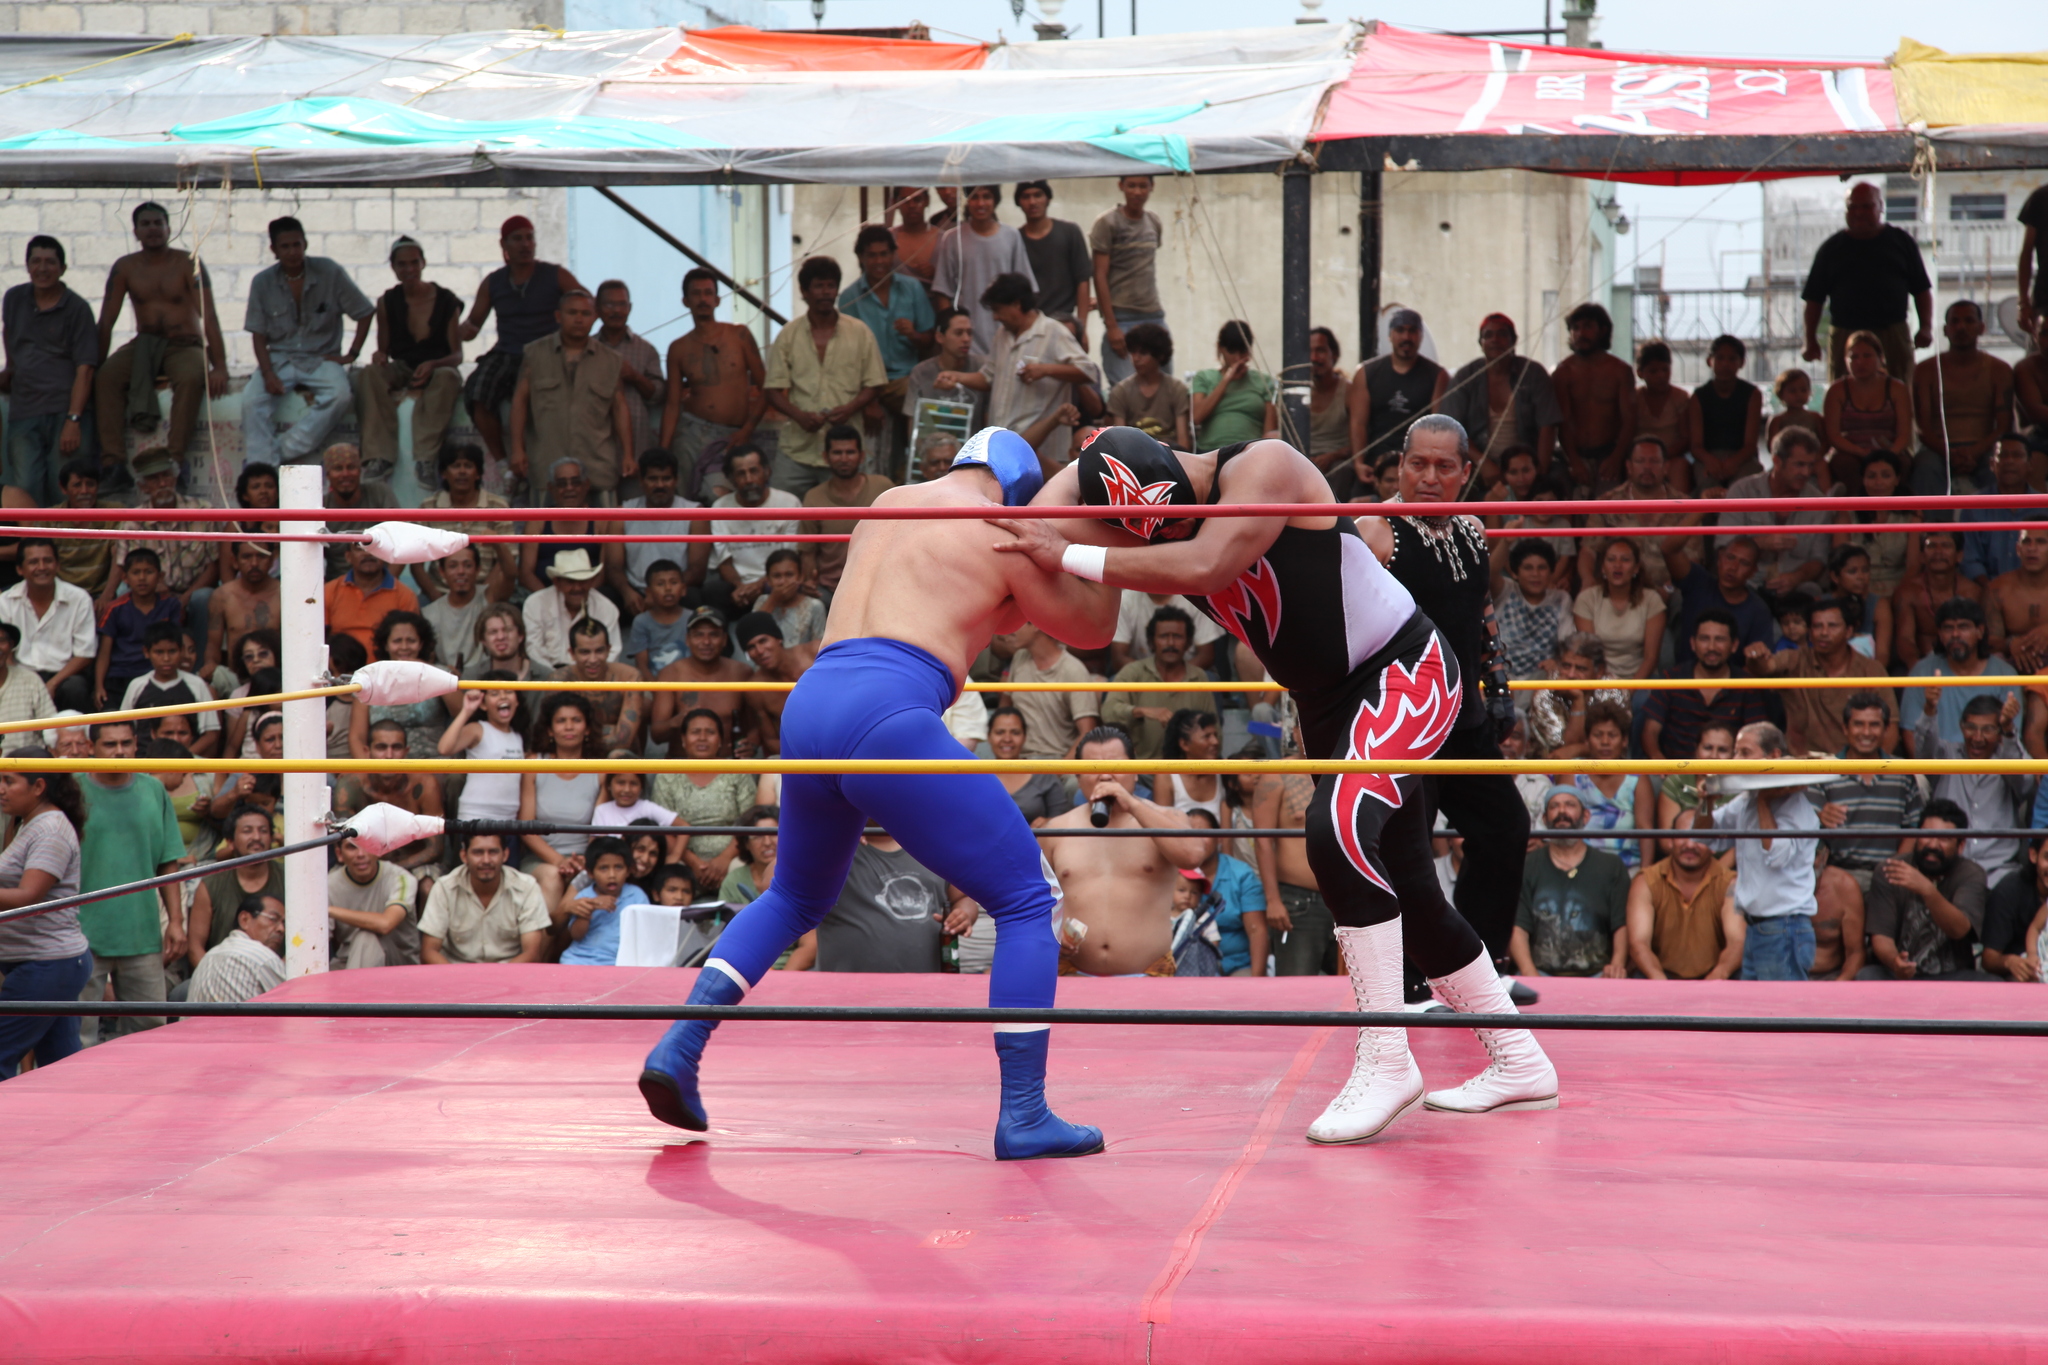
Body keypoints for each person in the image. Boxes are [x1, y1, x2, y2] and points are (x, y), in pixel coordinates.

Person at [999, 424, 1560, 1139]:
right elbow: (1050, 540)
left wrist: (1071, 550)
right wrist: (1074, 478)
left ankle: (1386, 1053)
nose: (1154, 538)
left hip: (1401, 671)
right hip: (1326, 701)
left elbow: (1204, 563)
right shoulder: (1145, 519)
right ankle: (1519, 1059)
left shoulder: (1264, 465)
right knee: (1412, 891)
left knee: (1336, 834)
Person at [639, 425, 1121, 1161]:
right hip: (888, 708)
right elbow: (1092, 627)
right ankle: (1024, 1112)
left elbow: (983, 615)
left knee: (794, 897)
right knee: (1028, 901)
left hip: (811, 705)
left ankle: (681, 1043)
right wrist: (1113, 535)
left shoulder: (890, 503)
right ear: (1021, 491)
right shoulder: (1001, 527)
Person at [1367, 414, 1534, 984]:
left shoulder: (1470, 528)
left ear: (1465, 472)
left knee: (1505, 829)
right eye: (1419, 464)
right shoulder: (1377, 532)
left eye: (1444, 466)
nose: (1430, 477)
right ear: (1400, 466)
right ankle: (1416, 978)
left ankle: (1479, 970)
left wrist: (1499, 682)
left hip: (1464, 715)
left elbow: (1480, 612)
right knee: (1410, 854)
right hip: (1403, 719)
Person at [1037, 726, 1205, 976]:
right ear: (1078, 776)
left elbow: (1192, 856)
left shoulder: (1168, 818)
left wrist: (1133, 805)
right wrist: (1052, 934)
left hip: (1149, 974)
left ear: (1136, 772)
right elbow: (1032, 899)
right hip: (1073, 973)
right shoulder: (1056, 829)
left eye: (1116, 766)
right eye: (1092, 768)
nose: (1105, 776)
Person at [92, 201, 230, 485]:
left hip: (185, 344)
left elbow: (210, 316)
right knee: (106, 377)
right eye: (146, 224)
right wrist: (94, 365)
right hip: (144, 344)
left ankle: (175, 460)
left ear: (169, 228)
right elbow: (106, 321)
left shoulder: (187, 262)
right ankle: (114, 463)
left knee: (192, 377)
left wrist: (220, 366)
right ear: (136, 231)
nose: (152, 229)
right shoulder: (125, 267)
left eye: (158, 223)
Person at [76, 721, 184, 1038]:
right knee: (78, 1032)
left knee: (150, 1030)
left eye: (125, 743)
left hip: (142, 933)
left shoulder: (153, 790)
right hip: (83, 935)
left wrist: (176, 920)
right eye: (110, 744)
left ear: (137, 744)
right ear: (91, 747)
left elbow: (169, 862)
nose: (119, 751)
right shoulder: (71, 789)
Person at [239, 216, 373, 469]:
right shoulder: (262, 282)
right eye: (285, 247)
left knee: (341, 395)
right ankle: (262, 470)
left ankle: (275, 455)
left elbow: (365, 312)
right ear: (274, 250)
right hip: (279, 358)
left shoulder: (329, 272)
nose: (292, 252)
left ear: (306, 244)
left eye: (297, 245)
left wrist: (352, 354)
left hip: (321, 357)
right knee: (251, 401)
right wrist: (267, 373)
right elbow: (257, 335)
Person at [457, 214, 585, 470]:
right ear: (504, 245)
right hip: (507, 353)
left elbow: (585, 304)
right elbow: (472, 326)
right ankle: (505, 465)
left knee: (544, 405)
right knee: (476, 392)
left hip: (549, 353)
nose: (525, 244)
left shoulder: (556, 275)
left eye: (529, 238)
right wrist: (452, 327)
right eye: (518, 239)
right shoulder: (493, 282)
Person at [1697, 722, 1820, 981]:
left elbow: (1776, 855)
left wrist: (1765, 800)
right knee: (1756, 1018)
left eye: (1745, 752)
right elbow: (1704, 836)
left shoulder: (1795, 806)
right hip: (1756, 928)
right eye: (1736, 752)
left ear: (1774, 756)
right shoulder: (1746, 800)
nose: (1735, 760)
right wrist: (1706, 801)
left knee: (1782, 1017)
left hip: (1784, 929)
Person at [938, 273, 1100, 465]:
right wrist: (956, 377)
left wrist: (1046, 370)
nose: (996, 317)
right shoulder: (1002, 335)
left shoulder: (1053, 331)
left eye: (998, 310)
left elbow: (1088, 372)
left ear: (1017, 304)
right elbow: (988, 378)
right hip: (1003, 448)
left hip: (1043, 453)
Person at [0, 757, 92, 1079]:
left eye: (9, 781)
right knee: (60, 1063)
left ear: (38, 786)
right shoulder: (27, 821)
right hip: (47, 962)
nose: (0, 790)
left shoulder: (51, 828)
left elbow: (29, 896)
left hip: (48, 963)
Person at [766, 257, 887, 498]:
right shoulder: (789, 334)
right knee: (781, 509)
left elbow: (874, 383)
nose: (825, 293)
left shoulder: (859, 332)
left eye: (831, 286)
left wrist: (850, 408)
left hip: (845, 448)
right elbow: (772, 390)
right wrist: (799, 416)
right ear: (804, 291)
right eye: (819, 286)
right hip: (797, 448)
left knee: (849, 517)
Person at [1800, 181, 1933, 386]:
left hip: (1892, 332)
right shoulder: (1831, 248)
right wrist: (1809, 340)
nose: (1858, 212)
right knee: (1842, 393)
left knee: (1900, 390)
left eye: (1866, 206)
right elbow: (1813, 299)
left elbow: (1922, 290)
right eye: (1852, 207)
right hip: (1845, 333)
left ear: (1881, 207)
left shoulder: (1901, 241)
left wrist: (1926, 327)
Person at [353, 235, 464, 476]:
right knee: (369, 375)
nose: (409, 269)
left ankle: (426, 458)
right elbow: (383, 351)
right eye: (402, 264)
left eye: (414, 262)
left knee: (448, 377)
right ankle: (379, 456)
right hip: (402, 366)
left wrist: (434, 364)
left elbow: (457, 355)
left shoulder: (446, 300)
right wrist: (379, 357)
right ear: (393, 268)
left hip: (438, 367)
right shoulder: (387, 301)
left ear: (423, 263)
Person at [2, 235, 99, 508]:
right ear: (26, 266)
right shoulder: (14, 298)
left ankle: (65, 550)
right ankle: (33, 550)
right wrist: (10, 366)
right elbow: (9, 332)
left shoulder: (77, 308)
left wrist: (74, 419)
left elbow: (86, 369)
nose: (42, 269)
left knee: (65, 489)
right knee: (26, 490)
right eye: (36, 261)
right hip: (24, 412)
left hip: (64, 412)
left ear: (63, 268)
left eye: (50, 262)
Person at [509, 289, 633, 498]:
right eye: (572, 312)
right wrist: (517, 449)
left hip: (597, 464)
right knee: (541, 528)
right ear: (558, 316)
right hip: (547, 462)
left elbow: (620, 407)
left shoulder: (610, 360)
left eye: (585, 314)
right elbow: (520, 402)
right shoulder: (535, 353)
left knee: (603, 529)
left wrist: (628, 455)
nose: (579, 319)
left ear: (594, 318)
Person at [661, 267, 769, 497]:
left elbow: (767, 387)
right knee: (685, 498)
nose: (703, 299)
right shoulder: (678, 348)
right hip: (692, 433)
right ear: (685, 300)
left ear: (718, 300)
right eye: (696, 293)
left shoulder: (739, 335)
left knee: (721, 494)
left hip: (733, 435)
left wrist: (748, 429)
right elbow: (672, 404)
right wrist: (663, 450)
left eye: (708, 293)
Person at [1743, 595, 1896, 755]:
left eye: (1832, 626)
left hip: (1856, 764)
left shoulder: (1871, 669)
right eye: (1817, 626)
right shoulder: (1794, 659)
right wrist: (1756, 657)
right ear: (1809, 633)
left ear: (1849, 631)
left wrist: (1875, 771)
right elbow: (1765, 668)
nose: (1824, 632)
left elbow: (1890, 727)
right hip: (1804, 764)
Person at [1859, 803, 1994, 981]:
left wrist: (1928, 891)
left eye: (1944, 839)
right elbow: (1881, 937)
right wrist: (1895, 962)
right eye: (1926, 835)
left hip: (1952, 975)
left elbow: (1959, 930)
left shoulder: (1971, 874)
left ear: (1961, 845)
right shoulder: (1890, 869)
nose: (1932, 845)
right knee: (1866, 976)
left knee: (1991, 983)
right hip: (1897, 974)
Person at [1808, 690, 1923, 896]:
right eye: (1858, 724)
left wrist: (1895, 871)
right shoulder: (1824, 771)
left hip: (1889, 877)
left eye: (1874, 724)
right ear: (1845, 728)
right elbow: (1808, 826)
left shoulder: (1902, 773)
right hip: (1838, 876)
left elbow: (1913, 828)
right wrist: (1820, 815)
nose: (1866, 732)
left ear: (1886, 728)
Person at [1511, 786, 1629, 979]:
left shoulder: (1611, 866)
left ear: (1586, 816)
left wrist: (1616, 965)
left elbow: (1621, 925)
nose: (1562, 812)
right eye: (1554, 806)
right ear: (1544, 819)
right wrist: (1529, 972)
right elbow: (1518, 927)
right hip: (1541, 974)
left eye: (1570, 805)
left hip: (1598, 975)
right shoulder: (1528, 865)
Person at [1916, 692, 2030, 890]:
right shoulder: (1947, 755)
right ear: (1961, 727)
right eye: (1971, 728)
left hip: (2000, 876)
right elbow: (1923, 751)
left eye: (1988, 729)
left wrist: (2010, 731)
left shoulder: (2007, 760)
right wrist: (1930, 708)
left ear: (1999, 731)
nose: (1978, 738)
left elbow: (2026, 781)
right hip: (1949, 871)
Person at [839, 225, 934, 459]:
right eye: (872, 255)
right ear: (861, 258)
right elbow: (848, 358)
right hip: (866, 384)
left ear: (893, 255)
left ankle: (926, 466)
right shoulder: (850, 297)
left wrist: (914, 335)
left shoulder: (911, 288)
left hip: (904, 378)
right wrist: (868, 400)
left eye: (884, 254)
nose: (879, 261)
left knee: (928, 402)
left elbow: (930, 340)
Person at [651, 706, 759, 897]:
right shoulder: (667, 775)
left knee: (742, 869)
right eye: (695, 732)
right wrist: (694, 862)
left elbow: (749, 822)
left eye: (710, 733)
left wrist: (724, 859)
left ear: (720, 741)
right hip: (684, 856)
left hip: (733, 855)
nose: (702, 738)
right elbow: (663, 827)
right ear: (683, 740)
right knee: (671, 873)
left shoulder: (737, 772)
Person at [1910, 300, 2015, 498]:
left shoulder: (1999, 369)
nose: (1961, 327)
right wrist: (1950, 453)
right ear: (1945, 329)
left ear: (1981, 327)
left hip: (1985, 449)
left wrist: (1973, 452)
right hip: (1937, 449)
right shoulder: (1925, 370)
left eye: (1969, 321)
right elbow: (1921, 427)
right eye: (1955, 322)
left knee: (2003, 466)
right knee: (1925, 467)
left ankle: (1998, 528)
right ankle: (1934, 529)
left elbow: (2004, 426)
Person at [515, 693, 605, 918]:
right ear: (549, 729)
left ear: (587, 729)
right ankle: (539, 952)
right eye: (561, 721)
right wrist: (559, 861)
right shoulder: (534, 765)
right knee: (553, 876)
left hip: (586, 861)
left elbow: (600, 827)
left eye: (576, 720)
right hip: (541, 860)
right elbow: (526, 829)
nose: (569, 727)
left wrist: (585, 861)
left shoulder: (601, 771)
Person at [331, 720, 446, 887]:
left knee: (427, 885)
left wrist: (392, 869)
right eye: (381, 747)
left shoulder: (425, 785)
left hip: (412, 863)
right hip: (362, 863)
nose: (389, 755)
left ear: (406, 752)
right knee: (328, 884)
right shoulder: (350, 784)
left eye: (396, 747)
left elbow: (435, 848)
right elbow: (344, 842)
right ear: (367, 751)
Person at [1641, 611, 1769, 760]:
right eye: (1704, 639)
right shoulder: (1671, 678)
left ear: (1734, 645)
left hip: (1729, 773)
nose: (1711, 647)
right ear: (1693, 644)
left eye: (1720, 640)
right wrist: (1658, 759)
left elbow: (1758, 739)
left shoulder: (1747, 686)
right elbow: (1650, 731)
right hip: (1675, 772)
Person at [1439, 313, 1560, 472]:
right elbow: (1451, 428)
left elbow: (1548, 425)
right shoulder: (1466, 377)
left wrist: (1539, 474)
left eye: (1502, 334)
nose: (1495, 340)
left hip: (1528, 465)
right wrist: (1483, 464)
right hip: (1477, 468)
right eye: (1488, 335)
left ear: (1514, 340)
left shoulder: (1533, 373)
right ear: (1481, 343)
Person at [1626, 816, 1741, 981]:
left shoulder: (1730, 883)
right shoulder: (1646, 881)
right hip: (1660, 976)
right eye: (1683, 835)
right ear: (1671, 840)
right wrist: (1660, 983)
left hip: (1715, 978)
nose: (1690, 844)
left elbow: (1737, 943)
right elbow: (1639, 944)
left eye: (1700, 837)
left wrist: (1713, 982)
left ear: (1714, 845)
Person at [1902, 597, 2019, 755]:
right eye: (1948, 628)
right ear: (1940, 634)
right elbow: (1910, 733)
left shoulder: (2005, 674)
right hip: (1936, 771)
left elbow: (2010, 736)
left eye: (1963, 627)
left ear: (1980, 631)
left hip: (1991, 771)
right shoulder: (1922, 672)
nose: (1955, 634)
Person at [931, 185, 1037, 357]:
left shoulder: (1011, 236)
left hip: (1006, 334)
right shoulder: (952, 238)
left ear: (995, 201)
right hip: (968, 338)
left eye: (986, 197)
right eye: (974, 197)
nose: (980, 203)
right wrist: (952, 332)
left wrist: (1021, 331)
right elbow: (943, 291)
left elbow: (1026, 291)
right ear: (967, 201)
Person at [1099, 606, 1216, 759]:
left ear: (1188, 643)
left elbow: (1215, 732)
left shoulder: (1198, 677)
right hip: (1140, 770)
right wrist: (1141, 711)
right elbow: (1108, 713)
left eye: (1178, 636)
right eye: (1163, 636)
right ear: (1151, 642)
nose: (1171, 643)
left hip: (1186, 772)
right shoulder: (1132, 672)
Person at [420, 830, 551, 965]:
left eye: (493, 852)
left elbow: (532, 954)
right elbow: (429, 952)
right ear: (464, 856)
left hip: (510, 975)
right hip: (456, 976)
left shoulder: (527, 887)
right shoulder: (444, 888)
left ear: (505, 855)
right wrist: (460, 980)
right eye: (478, 852)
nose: (486, 860)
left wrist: (495, 980)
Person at [703, 444, 803, 620]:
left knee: (789, 585)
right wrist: (740, 587)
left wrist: (759, 585)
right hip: (737, 588)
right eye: (741, 474)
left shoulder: (789, 503)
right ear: (731, 478)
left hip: (774, 582)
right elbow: (724, 563)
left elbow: (790, 560)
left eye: (754, 471)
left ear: (767, 472)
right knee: (712, 591)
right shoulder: (720, 508)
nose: (749, 479)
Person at [650, 607, 760, 760]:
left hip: (728, 765)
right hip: (682, 765)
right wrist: (677, 722)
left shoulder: (742, 673)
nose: (706, 642)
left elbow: (755, 724)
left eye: (714, 635)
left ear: (724, 640)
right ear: (688, 640)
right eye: (698, 635)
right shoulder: (670, 674)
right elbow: (656, 735)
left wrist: (752, 745)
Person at [2, 538, 95, 713]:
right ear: (19, 569)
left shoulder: (79, 598)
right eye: (33, 562)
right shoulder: (5, 601)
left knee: (75, 688)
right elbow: (3, 651)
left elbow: (85, 654)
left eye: (48, 560)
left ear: (58, 565)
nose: (42, 567)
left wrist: (52, 684)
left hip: (64, 676)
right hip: (19, 674)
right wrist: (23, 682)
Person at [799, 427, 895, 597]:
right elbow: (808, 551)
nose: (844, 459)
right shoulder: (813, 498)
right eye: (837, 452)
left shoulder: (883, 487)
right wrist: (809, 581)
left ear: (862, 456)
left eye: (850, 452)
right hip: (829, 589)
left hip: (878, 584)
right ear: (825, 457)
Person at [418, 442, 516, 604]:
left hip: (487, 593)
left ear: (478, 474)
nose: (462, 471)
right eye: (455, 466)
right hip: (439, 594)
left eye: (468, 466)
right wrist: (436, 598)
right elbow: (416, 562)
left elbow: (506, 560)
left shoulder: (498, 506)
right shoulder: (428, 507)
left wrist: (482, 598)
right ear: (444, 473)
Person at [1090, 174, 1165, 388]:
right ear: (1121, 186)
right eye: (1131, 185)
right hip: (1122, 317)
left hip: (1153, 316)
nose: (1137, 192)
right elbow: (1100, 274)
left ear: (1152, 187)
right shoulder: (1107, 223)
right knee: (1124, 389)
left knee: (1161, 387)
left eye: (1143, 186)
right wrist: (1111, 325)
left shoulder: (1153, 222)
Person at [1552, 303, 1636, 491]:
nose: (1581, 333)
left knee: (1609, 512)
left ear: (1603, 330)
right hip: (1571, 455)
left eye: (1588, 326)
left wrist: (1616, 458)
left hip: (1609, 454)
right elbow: (1561, 422)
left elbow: (1629, 419)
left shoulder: (1620, 371)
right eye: (1576, 328)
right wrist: (1574, 461)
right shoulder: (1563, 373)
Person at [1349, 307, 1446, 469]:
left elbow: (1437, 427)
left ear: (1421, 336)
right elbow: (1358, 423)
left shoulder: (1438, 376)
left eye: (1412, 331)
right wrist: (1359, 463)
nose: (1406, 337)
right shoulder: (1366, 373)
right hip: (1375, 460)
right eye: (1400, 330)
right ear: (1390, 335)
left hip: (1416, 459)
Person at [1660, 534, 1775, 666]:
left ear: (1753, 571)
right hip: (1687, 681)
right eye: (1730, 557)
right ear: (1719, 559)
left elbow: (1759, 666)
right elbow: (1668, 549)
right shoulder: (1698, 582)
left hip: (1732, 683)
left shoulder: (1758, 610)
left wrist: (1756, 656)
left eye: (1744, 563)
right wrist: (1699, 512)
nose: (1733, 567)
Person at [1823, 329, 1912, 495]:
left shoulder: (1897, 388)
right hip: (1851, 450)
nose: (1860, 362)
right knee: (1844, 465)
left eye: (1867, 356)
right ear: (1845, 360)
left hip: (1889, 448)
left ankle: (1899, 514)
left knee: (1903, 464)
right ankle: (1859, 515)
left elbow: (1904, 434)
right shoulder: (1836, 390)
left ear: (1881, 359)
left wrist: (1888, 455)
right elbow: (1833, 435)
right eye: (1854, 357)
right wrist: (1860, 452)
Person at [614, 451, 704, 614]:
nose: (660, 485)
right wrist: (626, 591)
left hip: (675, 591)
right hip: (635, 593)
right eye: (653, 479)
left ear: (675, 480)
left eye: (666, 478)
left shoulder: (695, 513)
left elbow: (697, 570)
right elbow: (613, 567)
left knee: (694, 597)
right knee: (607, 596)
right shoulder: (622, 513)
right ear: (641, 481)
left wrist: (660, 595)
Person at [999, 622, 1099, 761]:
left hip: (1058, 761)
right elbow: (1003, 711)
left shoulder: (1074, 670)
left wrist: (1059, 771)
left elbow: (1087, 732)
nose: (1009, 630)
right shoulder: (1020, 658)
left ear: (1035, 625)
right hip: (1018, 762)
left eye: (1017, 621)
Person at [95, 547, 181, 706]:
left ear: (160, 576)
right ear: (125, 578)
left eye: (148, 572)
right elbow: (104, 652)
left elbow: (176, 644)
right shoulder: (114, 609)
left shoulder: (171, 605)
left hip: (157, 674)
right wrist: (99, 686)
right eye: (136, 573)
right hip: (120, 676)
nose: (142, 578)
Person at [549, 617, 646, 756]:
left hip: (620, 766)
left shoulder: (630, 677)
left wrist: (581, 737)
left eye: (599, 651)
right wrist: (610, 730)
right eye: (585, 652)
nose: (593, 660)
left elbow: (623, 740)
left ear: (609, 650)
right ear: (572, 653)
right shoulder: (558, 680)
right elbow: (557, 738)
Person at [594, 279, 667, 461]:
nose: (616, 310)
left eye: (622, 304)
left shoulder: (645, 350)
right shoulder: (587, 348)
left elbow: (658, 395)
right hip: (594, 445)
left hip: (636, 446)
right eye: (609, 304)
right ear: (597, 308)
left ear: (630, 308)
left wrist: (634, 376)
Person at [1572, 537, 1663, 681]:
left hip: (1640, 680)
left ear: (1636, 568)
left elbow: (1651, 658)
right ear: (1602, 567)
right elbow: (1591, 655)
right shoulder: (1586, 599)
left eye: (1625, 560)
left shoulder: (1652, 600)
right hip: (1599, 678)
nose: (1617, 565)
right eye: (1611, 559)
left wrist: (1628, 692)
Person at [1014, 181, 1092, 345]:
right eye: (1026, 196)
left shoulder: (1069, 232)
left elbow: (1083, 280)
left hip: (1064, 321)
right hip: (1030, 324)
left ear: (1048, 199)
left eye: (1038, 195)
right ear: (1019, 202)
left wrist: (1082, 327)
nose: (1032, 202)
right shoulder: (1015, 238)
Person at [326, 835, 419, 971]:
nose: (361, 854)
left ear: (378, 850)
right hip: (347, 962)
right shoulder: (328, 885)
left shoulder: (401, 878)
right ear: (339, 854)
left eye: (367, 845)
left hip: (398, 966)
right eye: (352, 847)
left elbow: (385, 924)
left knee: (365, 938)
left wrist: (329, 910)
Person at [520, 548, 620, 674]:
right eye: (570, 582)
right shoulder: (536, 604)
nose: (577, 588)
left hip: (593, 677)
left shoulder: (606, 608)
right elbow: (533, 651)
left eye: (582, 581)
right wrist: (558, 679)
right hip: (547, 678)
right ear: (556, 582)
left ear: (591, 581)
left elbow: (612, 653)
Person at [438, 677, 524, 823]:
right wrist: (467, 710)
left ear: (517, 701)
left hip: (509, 819)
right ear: (483, 705)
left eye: (509, 691)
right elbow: (444, 748)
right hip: (476, 814)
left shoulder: (518, 736)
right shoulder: (478, 729)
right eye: (495, 693)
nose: (503, 696)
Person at [559, 836, 649, 968]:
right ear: (590, 873)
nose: (612, 875)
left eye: (618, 867)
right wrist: (591, 906)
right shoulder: (585, 896)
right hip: (581, 958)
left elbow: (644, 933)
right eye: (603, 868)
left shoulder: (636, 896)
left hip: (619, 961)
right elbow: (577, 935)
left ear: (629, 870)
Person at [1687, 334, 1763, 489]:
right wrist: (1711, 461)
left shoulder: (1752, 395)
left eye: (1732, 359)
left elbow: (1750, 444)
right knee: (1708, 488)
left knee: (1742, 488)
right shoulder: (1698, 397)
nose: (1725, 364)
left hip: (1743, 459)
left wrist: (1733, 462)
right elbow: (1696, 445)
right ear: (1710, 361)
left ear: (1741, 363)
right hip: (1708, 458)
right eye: (1720, 358)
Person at [1962, 440, 2041, 586]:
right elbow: (1970, 560)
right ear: (1992, 464)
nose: (2009, 461)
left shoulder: (2044, 505)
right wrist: (1994, 591)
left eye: (2017, 455)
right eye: (2003, 455)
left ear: (2030, 465)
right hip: (1987, 589)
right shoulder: (1973, 506)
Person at [1491, 540, 1572, 682]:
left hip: (1542, 680)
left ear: (1551, 572)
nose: (1535, 574)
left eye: (1542, 568)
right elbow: (1488, 573)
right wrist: (1505, 541)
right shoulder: (1506, 590)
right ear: (1515, 573)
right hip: (1502, 679)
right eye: (1528, 568)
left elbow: (1569, 644)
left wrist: (1557, 662)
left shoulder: (1561, 599)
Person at [1188, 321, 1276, 452]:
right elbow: (1196, 417)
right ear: (1220, 348)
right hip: (1211, 451)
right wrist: (1226, 380)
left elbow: (1269, 433)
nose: (1238, 358)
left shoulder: (1263, 381)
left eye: (1243, 352)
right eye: (1232, 351)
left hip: (1249, 453)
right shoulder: (1204, 377)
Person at [1104, 322, 1191, 450]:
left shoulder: (1176, 389)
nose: (1136, 358)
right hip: (1136, 456)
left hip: (1171, 455)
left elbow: (1183, 441)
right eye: (1133, 352)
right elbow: (1120, 442)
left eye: (1143, 353)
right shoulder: (1120, 391)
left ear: (1160, 356)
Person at [317, 442, 396, 580]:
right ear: (328, 475)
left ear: (360, 471)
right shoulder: (321, 506)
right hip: (337, 587)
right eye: (338, 468)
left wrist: (388, 587)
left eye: (351, 467)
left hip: (380, 583)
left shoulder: (380, 493)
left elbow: (402, 541)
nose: (345, 474)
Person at [186, 894, 286, 1004]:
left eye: (284, 923)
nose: (281, 929)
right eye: (273, 919)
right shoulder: (264, 958)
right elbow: (292, 1009)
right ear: (245, 919)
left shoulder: (208, 957)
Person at [322, 544, 418, 657]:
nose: (367, 553)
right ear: (348, 557)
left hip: (386, 670)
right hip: (340, 669)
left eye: (374, 548)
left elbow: (409, 645)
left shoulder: (405, 595)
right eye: (360, 549)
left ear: (385, 556)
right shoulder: (329, 591)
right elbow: (317, 639)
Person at [903, 307, 985, 438]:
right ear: (940, 337)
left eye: (969, 333)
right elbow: (913, 423)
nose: (966, 339)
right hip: (933, 451)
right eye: (959, 333)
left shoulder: (981, 368)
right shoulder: (921, 372)